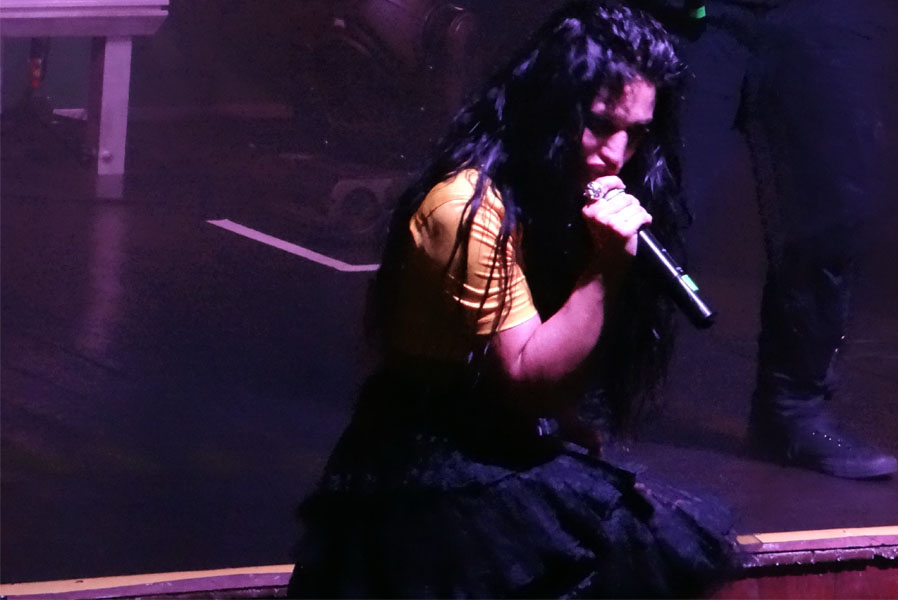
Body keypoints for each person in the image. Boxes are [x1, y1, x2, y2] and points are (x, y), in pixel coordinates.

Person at [287, 3, 736, 597]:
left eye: (636, 133)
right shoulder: (466, 208)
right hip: (431, 473)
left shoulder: (553, 195)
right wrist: (603, 270)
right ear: (551, 104)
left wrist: (563, 421)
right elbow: (526, 376)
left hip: (496, 443)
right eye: (600, 124)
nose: (616, 154)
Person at [629, 0, 898, 478]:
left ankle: (793, 410)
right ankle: (595, 396)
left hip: (821, 15)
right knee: (658, 203)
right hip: (701, 16)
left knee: (834, 210)